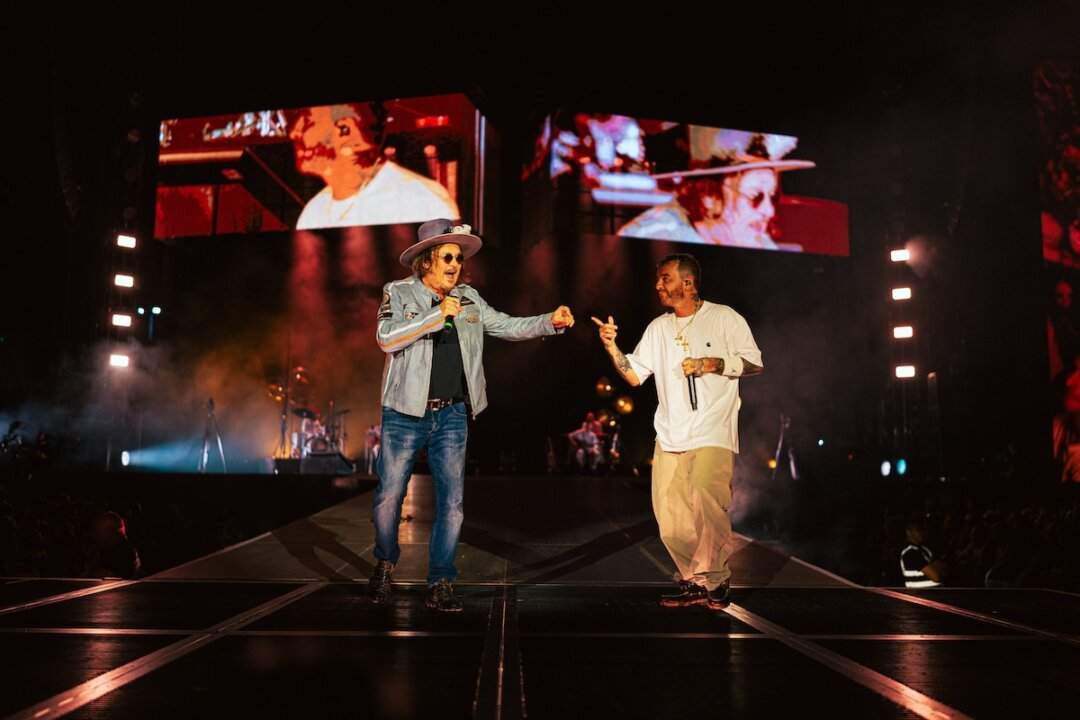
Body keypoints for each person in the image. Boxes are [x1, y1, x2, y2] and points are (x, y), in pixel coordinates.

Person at [370, 218, 575, 611]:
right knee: (389, 496)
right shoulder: (396, 292)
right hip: (404, 413)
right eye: (448, 257)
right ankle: (383, 564)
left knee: (453, 502)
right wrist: (434, 316)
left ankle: (441, 581)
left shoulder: (469, 299)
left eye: (459, 259)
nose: (456, 265)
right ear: (427, 261)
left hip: (452, 415)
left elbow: (508, 326)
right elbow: (386, 338)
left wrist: (550, 320)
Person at [591, 253, 762, 609]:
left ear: (688, 283)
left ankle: (715, 580)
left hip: (713, 429)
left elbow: (753, 362)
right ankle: (692, 579)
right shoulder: (658, 328)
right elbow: (635, 374)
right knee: (670, 519)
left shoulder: (724, 318)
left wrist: (711, 363)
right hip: (670, 434)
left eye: (665, 278)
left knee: (707, 501)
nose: (658, 285)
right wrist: (612, 347)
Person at [618, 129, 814, 250]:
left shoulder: (755, 238)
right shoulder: (651, 238)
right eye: (755, 197)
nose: (769, 211)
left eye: (773, 197)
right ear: (709, 197)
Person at [290, 103, 460, 230]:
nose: (294, 133)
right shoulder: (313, 212)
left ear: (345, 129)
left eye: (308, 122)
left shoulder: (419, 199)